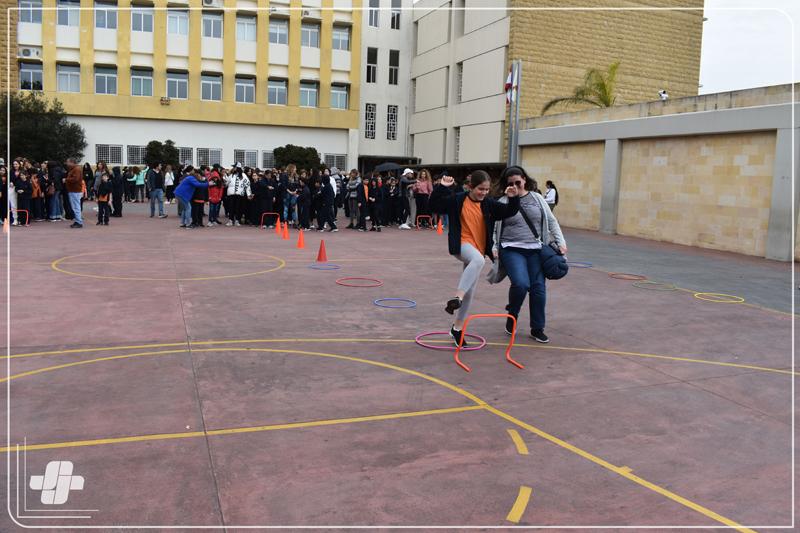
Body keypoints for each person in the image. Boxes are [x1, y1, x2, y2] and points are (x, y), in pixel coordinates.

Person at [430, 170, 520, 346]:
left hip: (477, 249)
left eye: (486, 190)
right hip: (461, 245)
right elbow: (433, 205)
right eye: (480, 189)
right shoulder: (458, 200)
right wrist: (442, 187)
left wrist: (513, 198)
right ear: (470, 187)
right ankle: (457, 297)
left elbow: (510, 211)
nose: (483, 193)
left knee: (470, 291)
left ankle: (457, 329)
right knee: (478, 260)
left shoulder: (489, 204)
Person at [494, 166, 567, 343]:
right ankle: (512, 315)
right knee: (520, 284)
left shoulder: (537, 198)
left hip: (535, 249)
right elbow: (494, 226)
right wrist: (494, 246)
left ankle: (537, 328)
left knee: (538, 289)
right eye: (510, 183)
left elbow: (551, 221)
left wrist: (561, 242)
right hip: (511, 248)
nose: (514, 186)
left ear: (525, 180)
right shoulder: (503, 201)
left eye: (518, 182)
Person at [64, 157, 84, 228]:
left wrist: (66, 179)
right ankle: (77, 220)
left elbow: (76, 179)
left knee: (76, 206)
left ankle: (78, 222)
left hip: (75, 190)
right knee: (75, 206)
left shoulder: (76, 169)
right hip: (74, 190)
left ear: (72, 162)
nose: (67, 163)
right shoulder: (75, 169)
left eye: (68, 162)